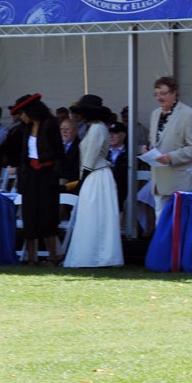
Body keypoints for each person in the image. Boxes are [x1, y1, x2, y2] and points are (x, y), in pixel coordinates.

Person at [63, 95, 123, 268]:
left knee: (94, 215)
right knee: (94, 215)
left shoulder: (97, 129)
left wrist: (82, 179)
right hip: (96, 174)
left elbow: (90, 157)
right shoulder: (95, 128)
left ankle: (95, 256)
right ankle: (95, 255)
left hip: (95, 175)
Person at [11, 93, 63, 266]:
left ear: (31, 111)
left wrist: (56, 175)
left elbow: (58, 152)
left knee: (48, 214)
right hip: (30, 175)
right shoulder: (25, 128)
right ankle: (32, 258)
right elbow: (22, 153)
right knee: (30, 214)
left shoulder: (50, 124)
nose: (21, 117)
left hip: (47, 174)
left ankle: (52, 257)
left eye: (23, 113)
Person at [143, 75, 192, 221]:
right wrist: (148, 149)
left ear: (174, 93)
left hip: (179, 181)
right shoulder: (155, 114)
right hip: (158, 180)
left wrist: (171, 157)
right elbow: (156, 141)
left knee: (178, 224)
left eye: (163, 94)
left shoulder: (188, 114)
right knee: (161, 224)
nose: (159, 98)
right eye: (157, 94)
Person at [106, 122, 128, 212]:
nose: (111, 136)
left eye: (114, 133)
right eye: (109, 133)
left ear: (123, 135)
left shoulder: (128, 153)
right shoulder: (104, 152)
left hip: (121, 190)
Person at [58, 117, 81, 193]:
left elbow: (78, 171)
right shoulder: (55, 145)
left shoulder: (80, 147)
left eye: (67, 129)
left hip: (72, 185)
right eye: (62, 129)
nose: (64, 131)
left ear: (75, 131)